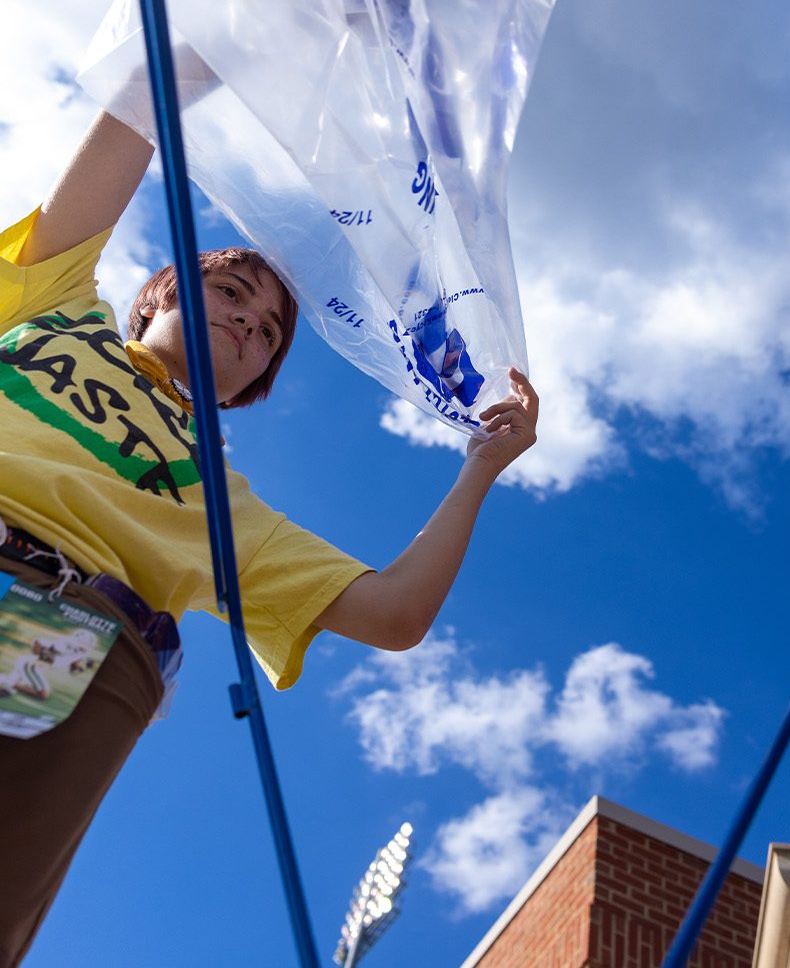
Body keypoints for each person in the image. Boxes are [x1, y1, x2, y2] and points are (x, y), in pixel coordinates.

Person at [0, 107, 538, 964]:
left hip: (65, 642)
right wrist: (172, 73)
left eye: (271, 334)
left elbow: (395, 614)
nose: (252, 324)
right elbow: (113, 152)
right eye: (231, 294)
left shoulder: (226, 507)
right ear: (163, 294)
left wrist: (482, 467)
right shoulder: (56, 310)